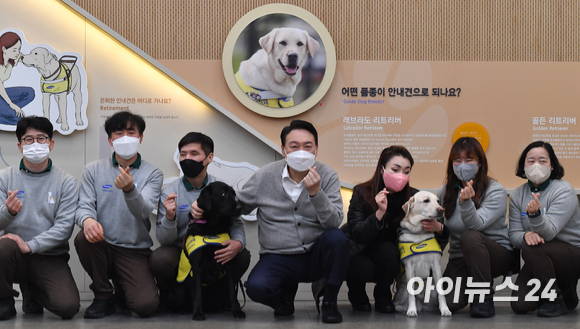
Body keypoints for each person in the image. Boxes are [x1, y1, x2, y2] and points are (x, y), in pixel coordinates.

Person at [192, 120, 348, 323]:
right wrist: (202, 205)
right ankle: (283, 300)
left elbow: (334, 222)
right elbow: (237, 205)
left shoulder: (328, 176)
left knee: (337, 238)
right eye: (294, 146)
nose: (301, 151)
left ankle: (329, 301)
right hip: (278, 256)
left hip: (314, 254)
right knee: (256, 288)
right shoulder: (266, 175)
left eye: (307, 146)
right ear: (283, 150)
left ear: (316, 150)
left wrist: (316, 194)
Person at [75, 111, 163, 319]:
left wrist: (130, 190)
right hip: (102, 243)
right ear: (109, 139)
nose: (125, 138)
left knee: (145, 306)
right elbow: (83, 206)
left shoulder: (153, 173)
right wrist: (87, 220)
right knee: (83, 238)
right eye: (118, 133)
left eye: (131, 132)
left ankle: (123, 291)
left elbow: (143, 211)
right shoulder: (92, 170)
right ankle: (104, 296)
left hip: (134, 250)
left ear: (140, 138)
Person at [150, 132, 250, 312]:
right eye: (183, 154)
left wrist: (238, 243)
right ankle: (173, 297)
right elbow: (164, 240)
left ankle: (222, 296)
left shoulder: (222, 188)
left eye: (194, 154)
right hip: (181, 251)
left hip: (215, 246)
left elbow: (236, 224)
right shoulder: (170, 192)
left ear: (209, 157)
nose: (187, 159)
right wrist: (170, 218)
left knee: (242, 255)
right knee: (160, 258)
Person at [343, 145, 448, 313]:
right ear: (381, 169)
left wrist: (440, 228)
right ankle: (357, 293)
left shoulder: (414, 198)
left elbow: (434, 235)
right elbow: (357, 234)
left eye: (407, 171)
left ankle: (383, 296)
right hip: (359, 249)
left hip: (391, 254)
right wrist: (379, 213)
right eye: (395, 169)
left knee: (389, 251)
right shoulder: (362, 192)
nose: (401, 175)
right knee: (362, 266)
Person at [0, 116, 79, 320]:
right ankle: (4, 299)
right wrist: (8, 213)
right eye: (28, 139)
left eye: (41, 138)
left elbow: (64, 228)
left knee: (68, 307)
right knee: (2, 246)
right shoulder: (4, 178)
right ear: (20, 146)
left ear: (51, 143)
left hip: (50, 256)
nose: (35, 144)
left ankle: (31, 290)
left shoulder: (66, 182)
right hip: (14, 255)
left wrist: (31, 245)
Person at [437, 137, 514, 318]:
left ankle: (483, 296)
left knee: (470, 236)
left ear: (479, 164)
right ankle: (470, 284)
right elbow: (442, 233)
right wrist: (437, 229)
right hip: (460, 258)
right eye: (458, 161)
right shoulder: (444, 192)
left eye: (469, 160)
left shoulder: (495, 190)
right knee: (446, 303)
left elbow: (476, 225)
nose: (463, 165)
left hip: (495, 254)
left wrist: (465, 203)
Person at [509, 141, 580, 317]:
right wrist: (526, 235)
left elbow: (549, 232)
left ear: (552, 166)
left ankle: (555, 299)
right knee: (520, 305)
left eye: (542, 161)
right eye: (530, 161)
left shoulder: (564, 191)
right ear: (523, 166)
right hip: (540, 256)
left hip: (571, 254)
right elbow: (513, 235)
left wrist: (535, 216)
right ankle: (562, 288)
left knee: (533, 249)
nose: (536, 166)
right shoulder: (517, 194)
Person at [0, 31, 34, 125]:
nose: (17, 52)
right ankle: (9, 112)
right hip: (0, 91)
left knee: (30, 93)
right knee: (18, 119)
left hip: (1, 95)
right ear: (3, 48)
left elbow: (24, 58)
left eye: (19, 49)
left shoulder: (13, 57)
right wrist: (11, 105)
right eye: (14, 50)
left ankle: (6, 111)